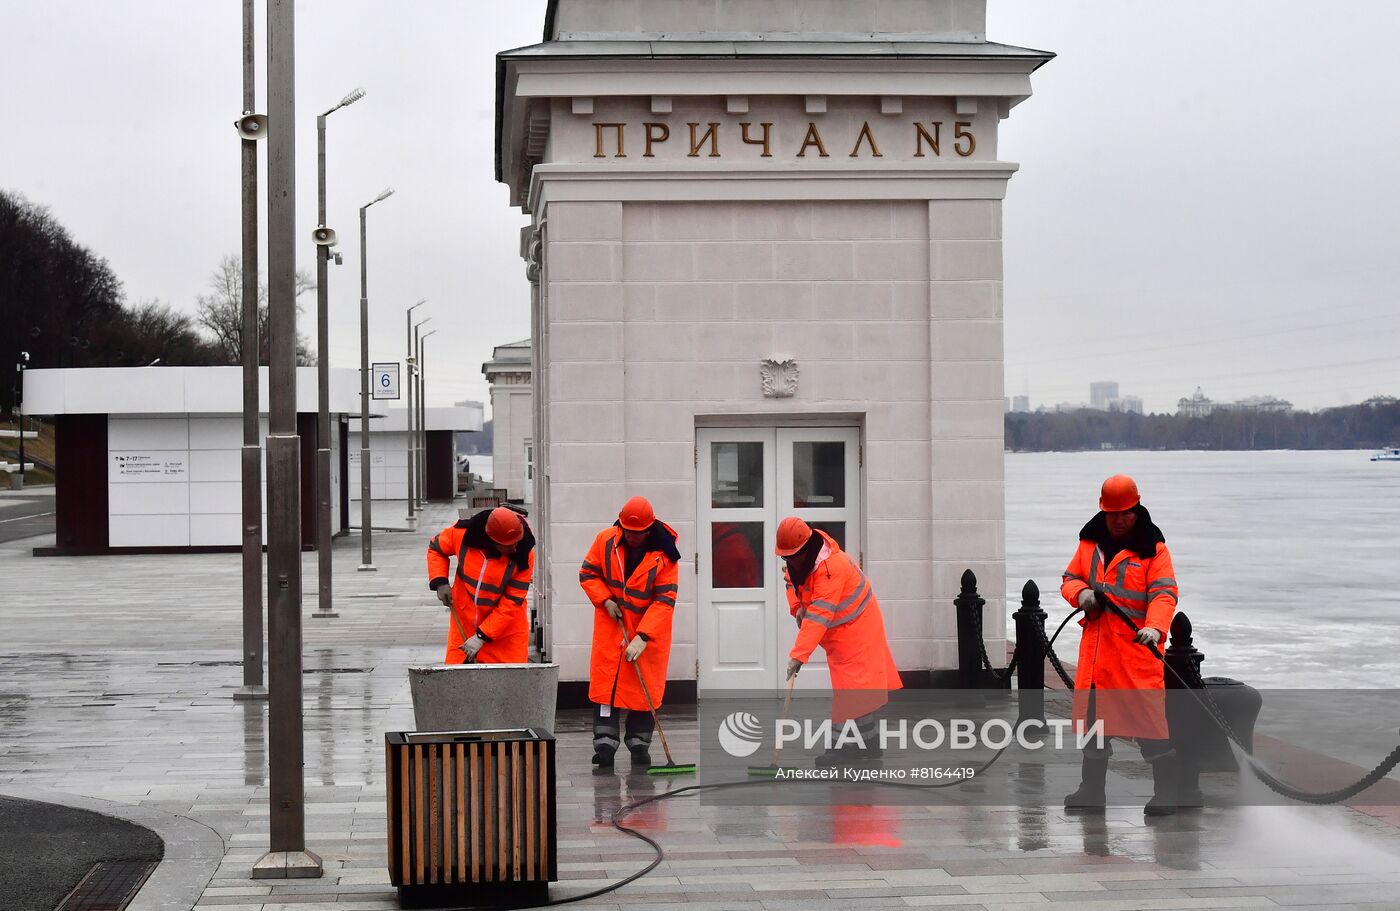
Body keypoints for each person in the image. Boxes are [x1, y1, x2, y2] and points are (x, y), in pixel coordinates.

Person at [1060, 474, 1180, 816]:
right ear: (1104, 511)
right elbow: (1070, 579)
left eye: (1124, 513)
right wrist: (1082, 594)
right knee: (1094, 726)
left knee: (1149, 725)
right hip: (1098, 655)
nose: (1118, 520)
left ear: (1136, 508)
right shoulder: (1088, 544)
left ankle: (1167, 793)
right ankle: (1091, 791)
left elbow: (1164, 593)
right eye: (1112, 514)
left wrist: (1155, 628)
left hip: (1134, 654)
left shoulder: (1154, 551)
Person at [776, 516, 902, 766]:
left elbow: (820, 615)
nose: (788, 561)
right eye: (785, 557)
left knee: (849, 690)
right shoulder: (798, 561)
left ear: (804, 548)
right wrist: (797, 608)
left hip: (858, 628)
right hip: (843, 630)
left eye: (791, 556)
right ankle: (870, 743)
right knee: (857, 689)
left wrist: (798, 656)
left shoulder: (831, 569)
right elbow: (791, 582)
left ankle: (839, 748)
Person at [579, 496, 681, 769]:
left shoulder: (666, 557)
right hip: (612, 626)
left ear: (648, 530)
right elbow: (588, 573)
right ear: (621, 526)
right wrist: (605, 600)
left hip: (648, 633)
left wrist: (643, 636)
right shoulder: (605, 541)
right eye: (628, 532)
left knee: (642, 690)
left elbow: (664, 601)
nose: (632, 538)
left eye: (638, 533)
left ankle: (639, 745)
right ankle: (604, 746)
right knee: (606, 690)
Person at [426, 506, 535, 664]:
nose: (515, 547)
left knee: (508, 686)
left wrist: (481, 637)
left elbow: (512, 601)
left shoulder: (524, 555)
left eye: (517, 541)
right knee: (458, 683)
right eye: (509, 544)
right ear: (493, 540)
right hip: (464, 628)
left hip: (506, 635)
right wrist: (440, 582)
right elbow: (436, 549)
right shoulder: (461, 534)